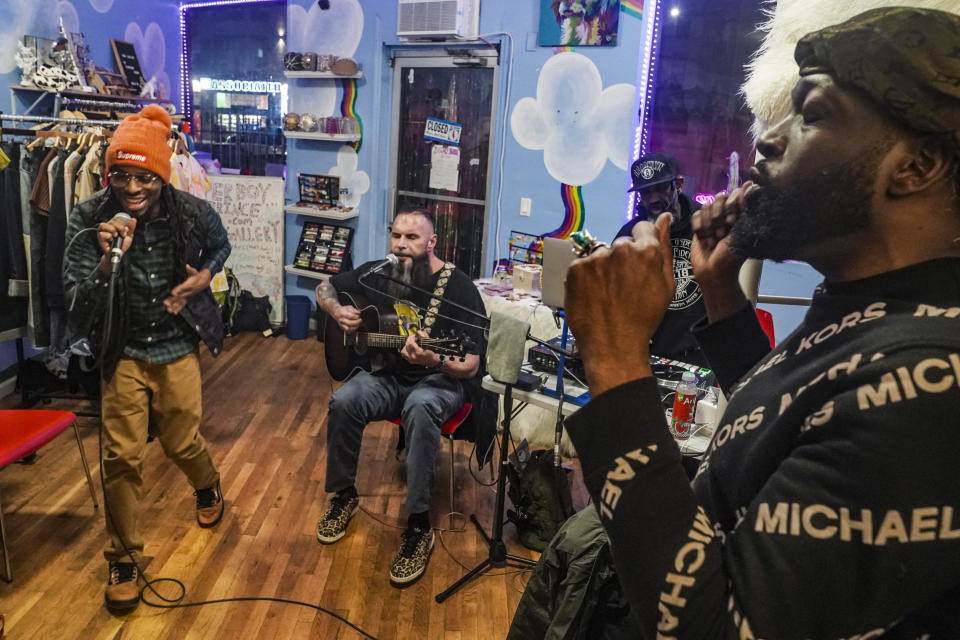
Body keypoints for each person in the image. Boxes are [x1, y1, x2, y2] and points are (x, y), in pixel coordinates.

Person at [559, 7, 960, 637]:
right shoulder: (878, 307)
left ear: (916, 166)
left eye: (813, 113)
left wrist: (613, 359)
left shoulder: (935, 385)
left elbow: (716, 630)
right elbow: (794, 421)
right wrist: (720, 291)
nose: (768, 139)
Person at [63, 105, 230, 611]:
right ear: (107, 173)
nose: (131, 188)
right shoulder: (91, 217)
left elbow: (221, 247)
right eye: (120, 175)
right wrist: (103, 261)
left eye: (144, 177)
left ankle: (207, 483)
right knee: (120, 458)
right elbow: (73, 298)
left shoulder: (192, 212)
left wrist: (205, 277)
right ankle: (123, 557)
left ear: (162, 173)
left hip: (178, 346)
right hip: (124, 351)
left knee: (181, 441)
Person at [314, 207, 486, 586]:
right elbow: (325, 286)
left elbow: (471, 363)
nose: (402, 245)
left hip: (440, 382)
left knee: (421, 406)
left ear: (432, 242)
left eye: (412, 237)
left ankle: (419, 524)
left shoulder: (457, 288)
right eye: (397, 236)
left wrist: (436, 357)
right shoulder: (378, 272)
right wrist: (337, 309)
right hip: (387, 377)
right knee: (343, 401)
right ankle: (343, 495)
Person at [615, 152, 708, 368]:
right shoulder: (630, 233)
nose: (653, 199)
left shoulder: (704, 225)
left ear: (679, 184)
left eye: (660, 188)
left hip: (698, 354)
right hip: (647, 353)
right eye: (645, 192)